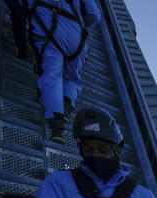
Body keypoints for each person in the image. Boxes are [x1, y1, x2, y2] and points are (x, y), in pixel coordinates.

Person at [25, 0, 101, 143]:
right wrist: (76, 23)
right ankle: (66, 106)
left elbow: (26, 8)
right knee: (72, 78)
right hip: (77, 39)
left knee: (52, 75)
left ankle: (57, 128)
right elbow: (95, 15)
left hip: (50, 32)